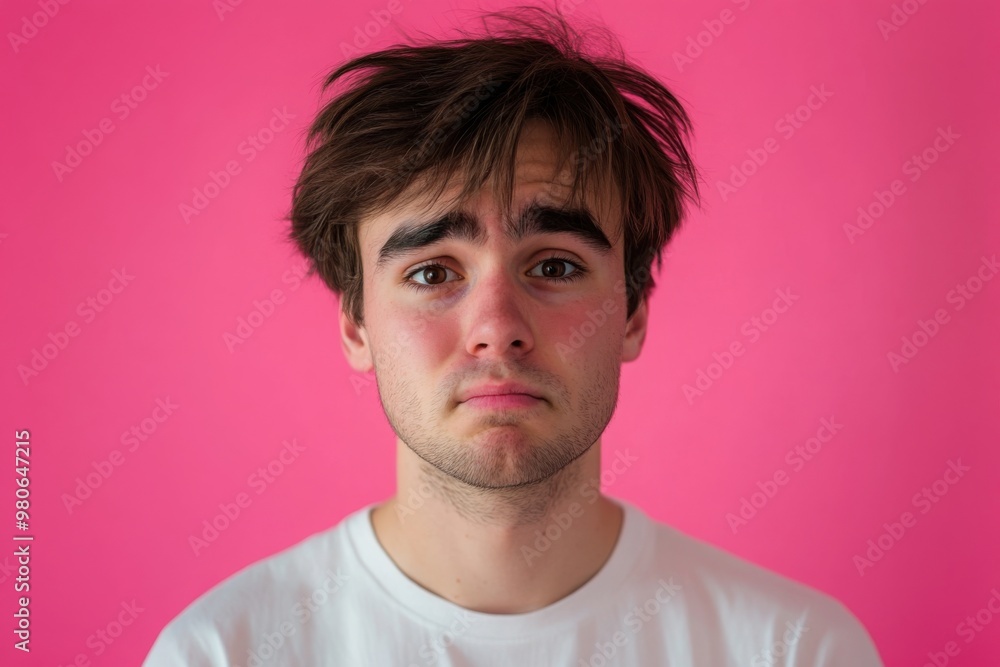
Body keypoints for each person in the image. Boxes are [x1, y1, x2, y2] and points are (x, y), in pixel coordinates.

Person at [143, 5, 884, 665]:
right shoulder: (218, 653)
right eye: (433, 273)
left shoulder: (797, 650)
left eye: (555, 265)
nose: (498, 330)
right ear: (355, 324)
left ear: (632, 311)